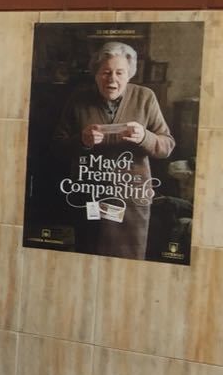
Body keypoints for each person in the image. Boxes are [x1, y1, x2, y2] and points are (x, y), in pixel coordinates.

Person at [51, 41, 175, 259]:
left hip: (131, 200)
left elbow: (167, 145)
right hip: (90, 197)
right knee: (88, 257)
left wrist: (144, 137)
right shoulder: (79, 99)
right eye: (106, 72)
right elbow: (56, 147)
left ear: (129, 75)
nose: (112, 79)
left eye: (120, 72)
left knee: (129, 266)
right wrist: (82, 140)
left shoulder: (145, 98)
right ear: (96, 74)